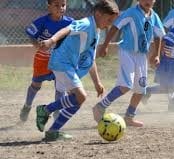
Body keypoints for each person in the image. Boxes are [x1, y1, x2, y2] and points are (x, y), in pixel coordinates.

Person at [35, 0, 119, 141]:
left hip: (67, 65)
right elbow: (68, 28)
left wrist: (97, 82)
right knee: (81, 96)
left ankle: (53, 131)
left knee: (77, 100)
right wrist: (51, 40)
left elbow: (90, 60)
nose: (109, 24)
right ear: (98, 14)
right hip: (62, 62)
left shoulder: (96, 32)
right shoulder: (87, 24)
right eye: (109, 19)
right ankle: (46, 109)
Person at [92, 0, 165, 127]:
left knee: (141, 89)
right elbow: (115, 27)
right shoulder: (131, 13)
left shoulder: (154, 16)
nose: (148, 1)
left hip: (142, 55)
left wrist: (157, 54)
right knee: (126, 85)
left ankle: (129, 117)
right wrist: (105, 45)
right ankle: (100, 106)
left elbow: (158, 36)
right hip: (127, 52)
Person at [20, 0, 74, 122]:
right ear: (48, 7)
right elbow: (31, 34)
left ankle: (57, 113)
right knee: (36, 85)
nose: (60, 8)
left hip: (61, 61)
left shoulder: (70, 22)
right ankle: (27, 106)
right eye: (56, 5)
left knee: (60, 87)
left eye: (63, 5)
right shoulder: (42, 21)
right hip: (42, 59)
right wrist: (37, 45)